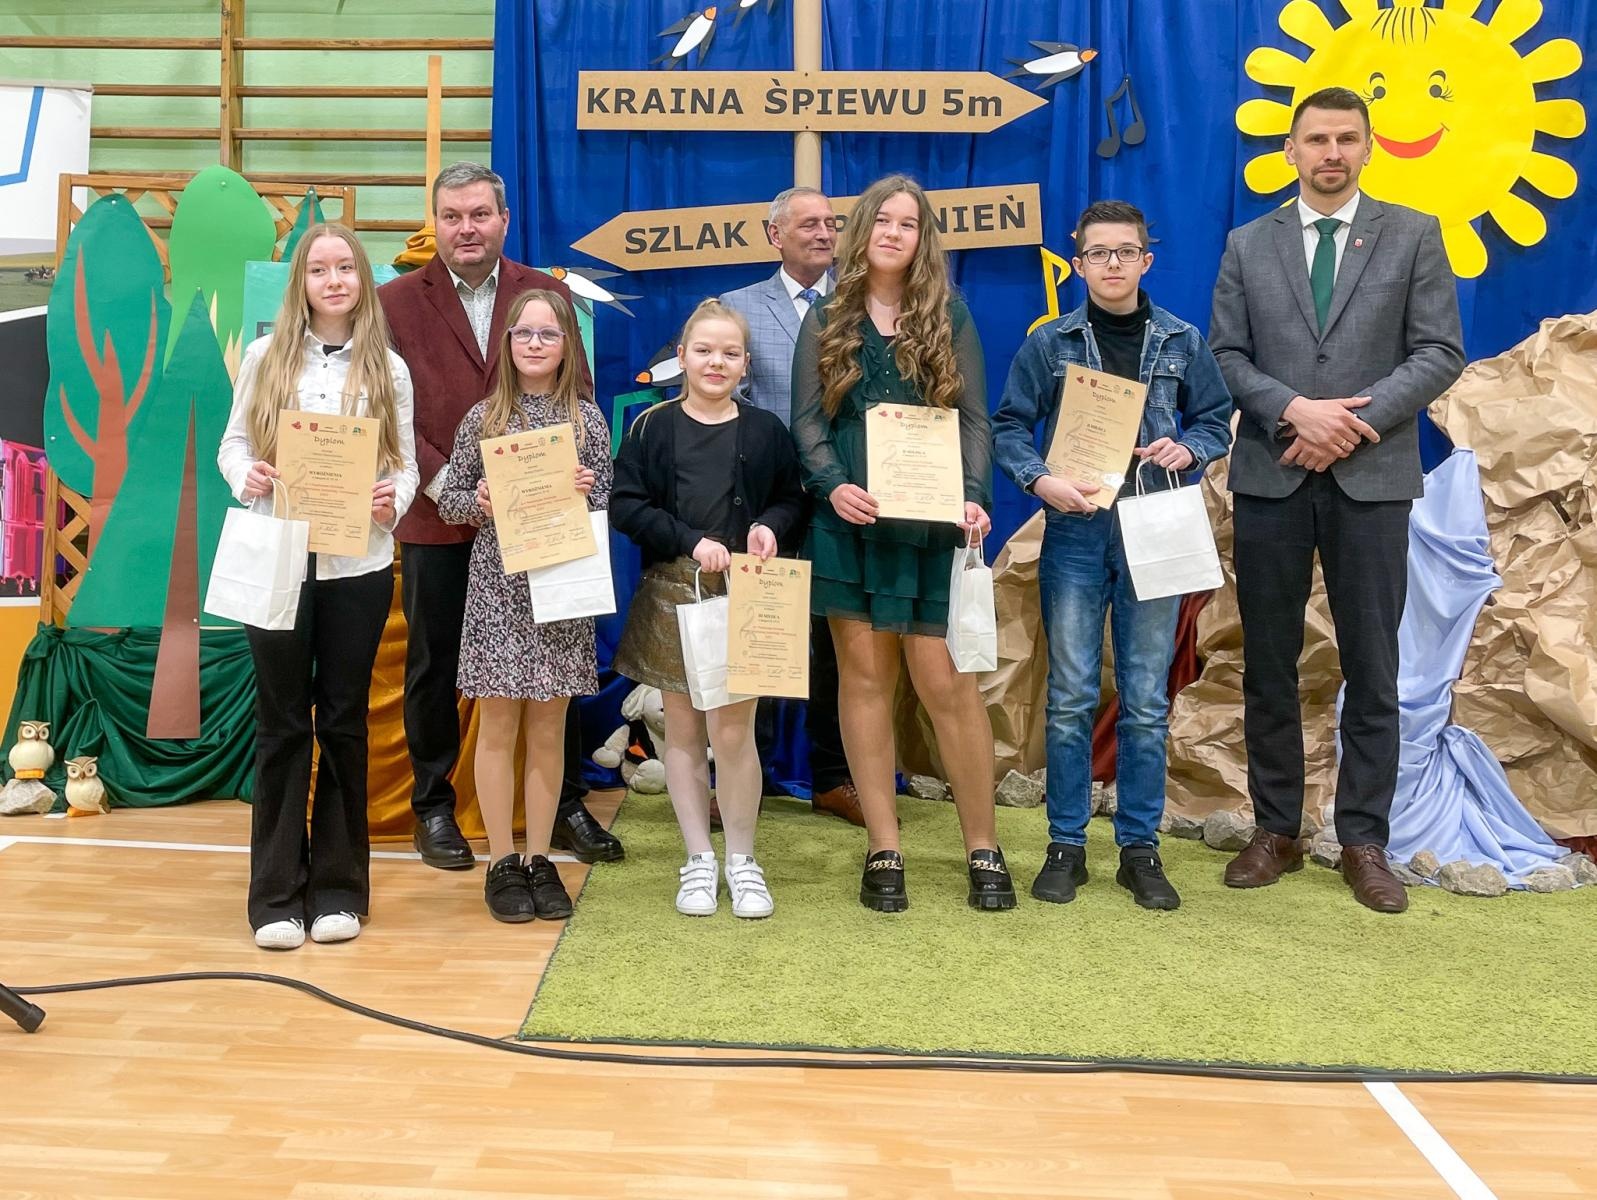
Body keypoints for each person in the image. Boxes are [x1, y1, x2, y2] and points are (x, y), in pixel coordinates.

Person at [1208, 87, 1464, 914]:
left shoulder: (1414, 235)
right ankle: (1274, 829)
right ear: (1289, 149)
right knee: (1269, 664)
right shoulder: (1248, 244)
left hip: (1371, 477)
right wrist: (1295, 411)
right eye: (1315, 138)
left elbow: (1437, 353)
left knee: (1372, 665)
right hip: (1272, 472)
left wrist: (1349, 425)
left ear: (1367, 147)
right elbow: (1227, 354)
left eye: (1345, 138)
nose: (1330, 152)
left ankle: (1362, 839)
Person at [378, 161, 622, 870]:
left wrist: (562, 481)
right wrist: (460, 486)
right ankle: (434, 807)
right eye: (452, 216)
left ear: (503, 220)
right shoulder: (394, 302)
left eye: (479, 214)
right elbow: (393, 411)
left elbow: (576, 393)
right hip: (439, 516)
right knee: (432, 664)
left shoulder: (544, 294)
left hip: (544, 528)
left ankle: (564, 801)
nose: (466, 228)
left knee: (556, 667)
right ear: (435, 222)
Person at [993, 199, 1234, 912]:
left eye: (1124, 252)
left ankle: (1139, 847)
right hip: (1074, 531)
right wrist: (1038, 479)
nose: (1111, 265)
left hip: (1155, 526)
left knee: (1144, 699)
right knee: (1069, 696)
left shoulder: (1182, 341)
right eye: (1097, 253)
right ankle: (1065, 842)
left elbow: (1216, 418)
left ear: (1145, 260)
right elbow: (1009, 425)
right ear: (1077, 262)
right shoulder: (1051, 343)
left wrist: (1188, 447)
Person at [790, 173, 1012, 914]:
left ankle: (982, 845)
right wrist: (830, 484)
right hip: (850, 519)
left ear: (923, 239)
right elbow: (806, 423)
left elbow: (977, 419)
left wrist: (974, 500)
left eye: (907, 223)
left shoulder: (950, 314)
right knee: (863, 683)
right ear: (861, 231)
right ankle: (883, 845)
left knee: (946, 685)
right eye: (880, 220)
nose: (892, 232)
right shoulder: (825, 317)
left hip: (928, 523)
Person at [219, 224, 419, 950]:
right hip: (277, 556)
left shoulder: (387, 369)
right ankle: (274, 894)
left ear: (361, 281)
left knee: (341, 721)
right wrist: (250, 477)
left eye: (345, 268)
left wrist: (387, 501)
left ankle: (338, 888)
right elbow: (233, 443)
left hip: (356, 566)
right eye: (318, 270)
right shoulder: (268, 359)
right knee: (280, 725)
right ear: (299, 283)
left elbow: (405, 465)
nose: (334, 280)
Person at [610, 299, 805, 918]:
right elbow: (626, 505)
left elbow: (792, 500)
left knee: (735, 733)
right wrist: (690, 541)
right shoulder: (651, 427)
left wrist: (771, 527)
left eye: (729, 352)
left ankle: (743, 859)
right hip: (674, 593)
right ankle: (698, 857)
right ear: (682, 358)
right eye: (703, 351)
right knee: (684, 734)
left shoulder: (767, 430)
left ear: (746, 364)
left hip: (747, 597)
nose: (715, 362)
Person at [435, 289, 612, 922]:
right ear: (507, 344)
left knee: (548, 731)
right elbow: (449, 502)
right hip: (498, 591)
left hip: (561, 588)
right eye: (523, 334)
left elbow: (602, 504)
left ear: (569, 345)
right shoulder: (484, 418)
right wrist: (478, 500)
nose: (534, 344)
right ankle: (502, 862)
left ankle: (540, 859)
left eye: (548, 334)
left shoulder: (587, 420)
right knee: (497, 727)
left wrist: (589, 491)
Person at [718, 187, 859, 827]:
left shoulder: (860, 308)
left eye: (831, 224)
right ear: (774, 234)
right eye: (808, 224)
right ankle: (746, 775)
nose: (823, 233)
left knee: (837, 640)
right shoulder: (737, 310)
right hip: (765, 506)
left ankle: (833, 777)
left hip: (843, 501)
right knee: (758, 636)